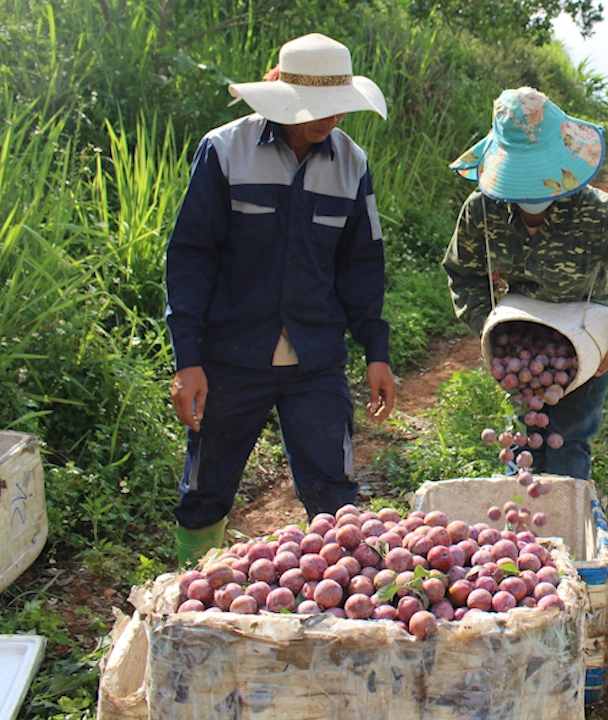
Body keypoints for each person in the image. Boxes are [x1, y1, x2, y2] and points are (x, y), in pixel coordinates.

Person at [165, 33, 396, 564]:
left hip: (315, 358)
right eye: (318, 109)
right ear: (281, 96)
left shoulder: (351, 164)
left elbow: (361, 264)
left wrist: (376, 351)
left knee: (334, 495)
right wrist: (189, 360)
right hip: (231, 356)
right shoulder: (226, 151)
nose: (331, 120)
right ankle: (194, 590)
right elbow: (191, 258)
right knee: (206, 490)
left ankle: (343, 607)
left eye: (339, 109)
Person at [443, 87, 608, 481]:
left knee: (568, 438)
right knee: (525, 436)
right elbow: (461, 273)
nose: (530, 193)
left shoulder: (597, 213)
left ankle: (565, 526)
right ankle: (521, 531)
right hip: (521, 336)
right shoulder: (482, 211)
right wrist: (489, 331)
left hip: (583, 336)